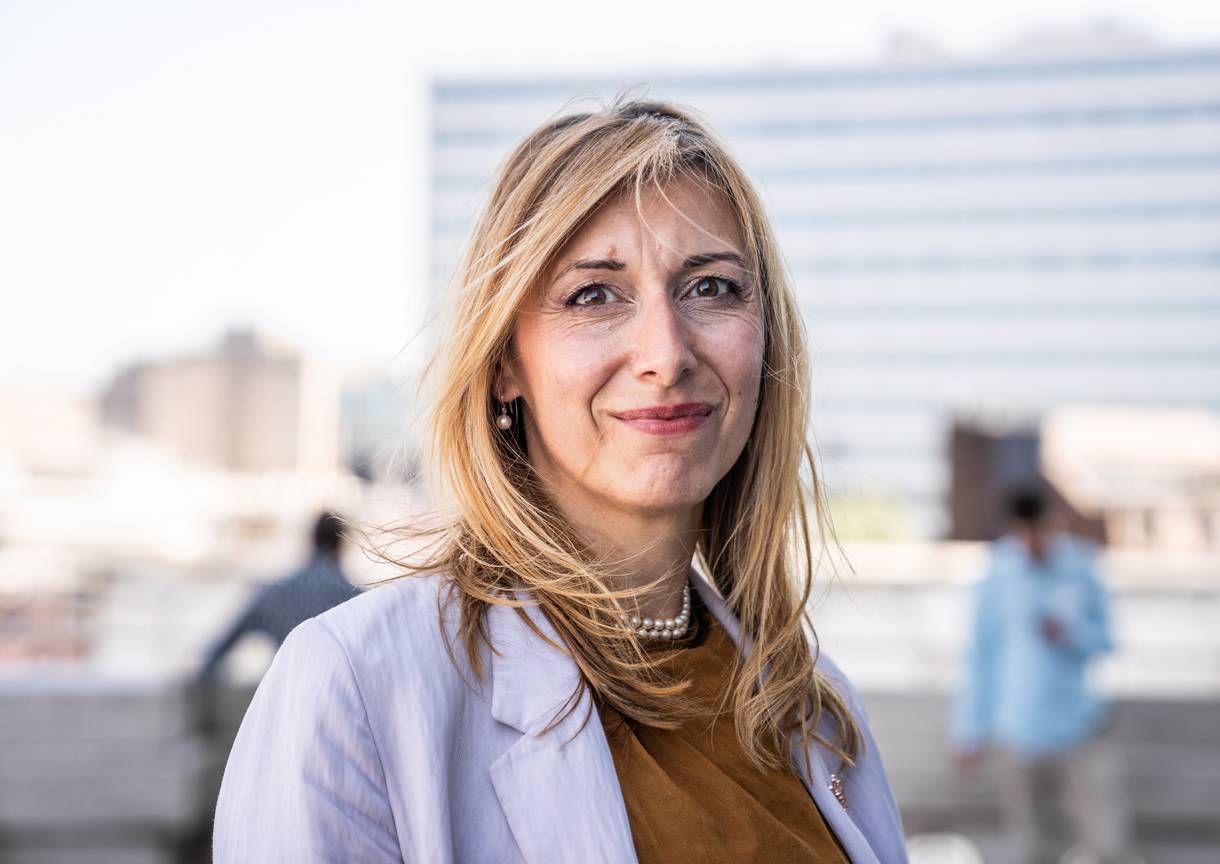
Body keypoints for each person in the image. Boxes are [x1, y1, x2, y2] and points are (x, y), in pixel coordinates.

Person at [213, 100, 909, 863]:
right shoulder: (358, 687)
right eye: (595, 295)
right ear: (505, 363)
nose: (666, 354)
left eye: (711, 287)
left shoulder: (812, 708)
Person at [950, 487, 1136, 864]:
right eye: (1024, 533)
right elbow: (979, 657)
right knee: (1029, 844)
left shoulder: (1083, 567)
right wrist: (968, 730)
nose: (1033, 542)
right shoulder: (995, 576)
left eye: (1039, 531)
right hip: (1015, 731)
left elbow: (1108, 641)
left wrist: (1071, 633)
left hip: (1079, 727)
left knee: (1107, 840)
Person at [196, 511, 359, 682]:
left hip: (290, 689)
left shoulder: (274, 592)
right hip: (337, 689)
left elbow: (220, 647)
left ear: (311, 541)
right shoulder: (352, 597)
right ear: (342, 544)